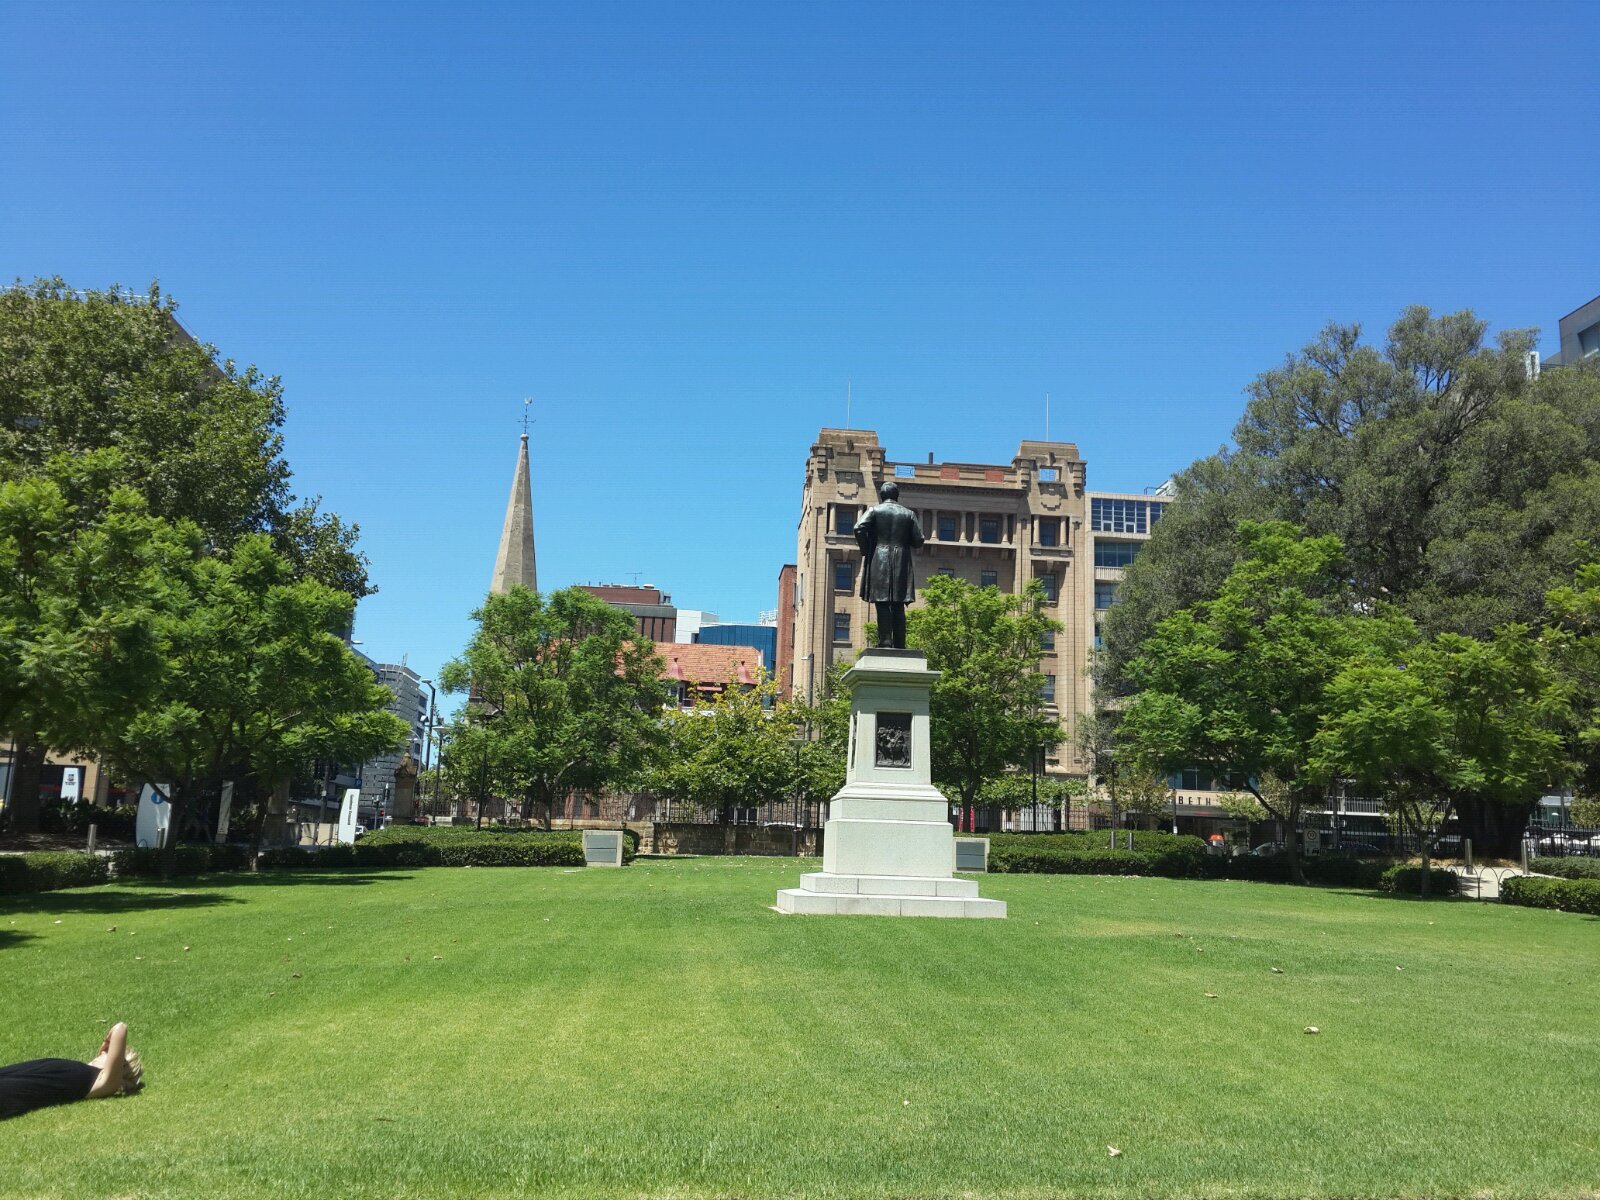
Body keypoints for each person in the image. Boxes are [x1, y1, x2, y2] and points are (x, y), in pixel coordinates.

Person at [0, 1021, 143, 1119]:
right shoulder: (87, 1073)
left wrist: (107, 1042)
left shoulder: (104, 1083)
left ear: (120, 1067)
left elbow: (120, 1028)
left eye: (110, 1051)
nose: (103, 1051)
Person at [854, 480, 925, 649]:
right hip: (901, 559)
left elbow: (858, 528)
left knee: (882, 602)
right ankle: (900, 644)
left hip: (879, 557)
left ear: (882, 495)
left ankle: (885, 642)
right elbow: (918, 540)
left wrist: (866, 549)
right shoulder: (909, 514)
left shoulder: (874, 511)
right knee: (898, 604)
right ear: (897, 496)